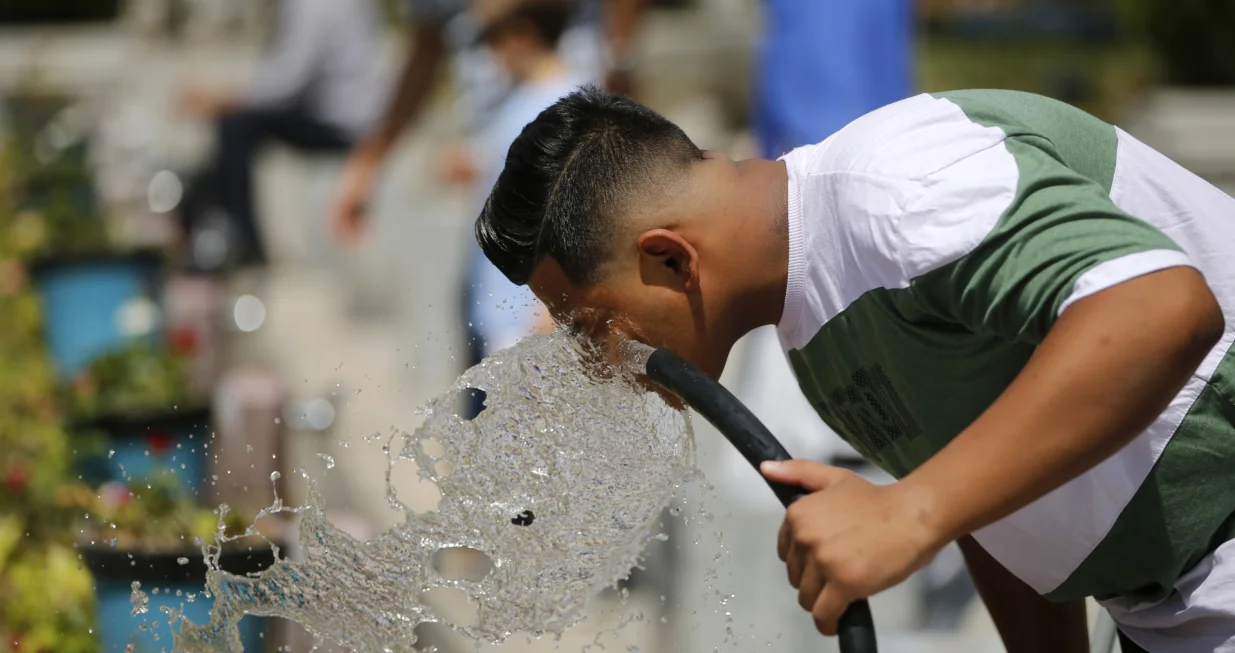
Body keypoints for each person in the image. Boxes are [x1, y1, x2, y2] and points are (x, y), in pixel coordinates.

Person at [474, 86, 1235, 653]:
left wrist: (910, 510)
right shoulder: (814, 324)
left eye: (590, 323)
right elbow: (994, 499)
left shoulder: (897, 185)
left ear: (669, 257)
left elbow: (1161, 311)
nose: (590, 359)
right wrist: (933, 502)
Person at [179, 0, 386, 269]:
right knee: (236, 129)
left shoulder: (314, 6)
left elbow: (284, 84)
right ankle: (221, 229)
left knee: (235, 127)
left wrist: (219, 98)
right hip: (343, 118)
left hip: (341, 125)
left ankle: (245, 241)